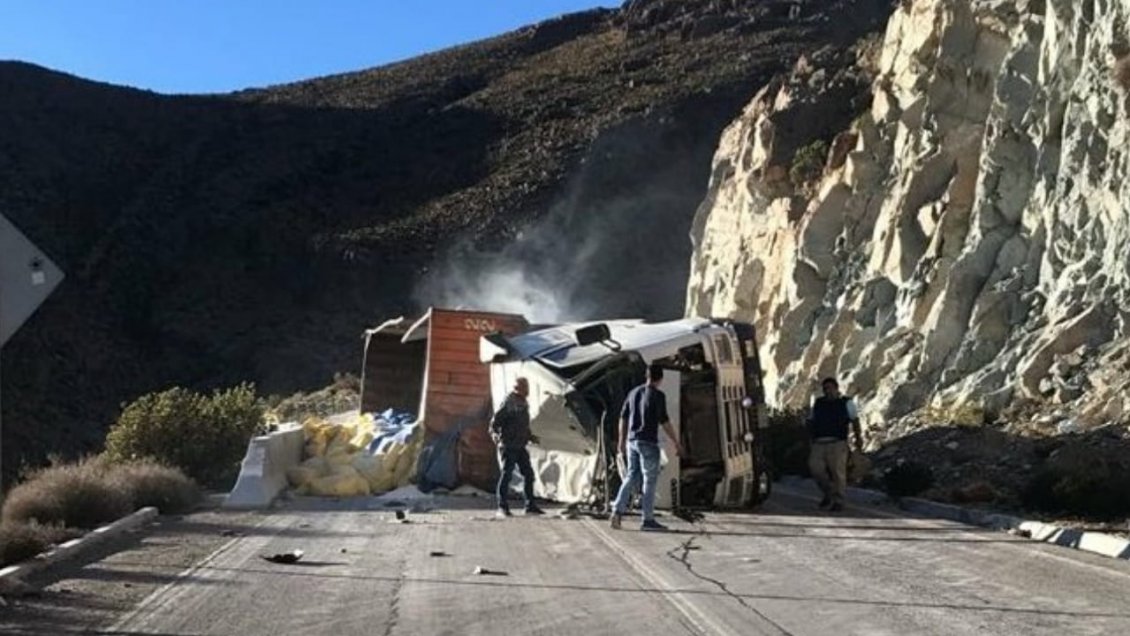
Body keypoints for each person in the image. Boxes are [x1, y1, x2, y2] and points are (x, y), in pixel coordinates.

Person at [610, 364, 684, 531]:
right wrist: (676, 442)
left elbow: (623, 418)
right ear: (660, 379)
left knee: (630, 476)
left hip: (631, 441)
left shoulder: (633, 393)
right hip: (648, 443)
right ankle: (647, 519)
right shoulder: (658, 396)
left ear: (647, 376)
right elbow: (664, 421)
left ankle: (617, 511)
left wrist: (622, 441)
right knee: (649, 481)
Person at [807, 377, 863, 512]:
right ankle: (828, 492)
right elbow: (811, 420)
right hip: (819, 442)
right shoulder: (819, 403)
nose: (828, 391)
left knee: (838, 473)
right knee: (816, 469)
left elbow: (855, 420)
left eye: (830, 388)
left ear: (837, 389)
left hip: (838, 442)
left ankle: (839, 500)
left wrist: (858, 438)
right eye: (825, 389)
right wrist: (810, 438)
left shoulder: (846, 403)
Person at [490, 377, 544, 517]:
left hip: (520, 445)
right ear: (518, 389)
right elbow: (494, 424)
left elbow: (523, 425)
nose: (528, 391)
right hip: (508, 445)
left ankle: (530, 506)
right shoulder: (508, 404)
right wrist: (496, 436)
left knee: (528, 474)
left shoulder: (524, 403)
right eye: (525, 387)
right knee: (506, 475)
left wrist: (530, 437)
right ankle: (502, 507)